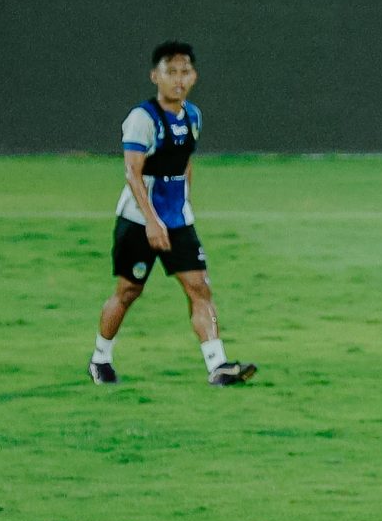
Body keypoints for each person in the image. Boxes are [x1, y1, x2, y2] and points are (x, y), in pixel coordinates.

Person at [89, 40, 256, 387]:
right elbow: (132, 173)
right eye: (171, 72)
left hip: (178, 219)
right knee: (128, 291)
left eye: (185, 72)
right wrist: (152, 220)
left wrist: (184, 206)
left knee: (199, 288)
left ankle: (218, 365)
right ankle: (100, 359)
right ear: (155, 76)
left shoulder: (192, 116)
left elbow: (185, 162)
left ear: (193, 76)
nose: (178, 80)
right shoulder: (142, 119)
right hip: (139, 220)